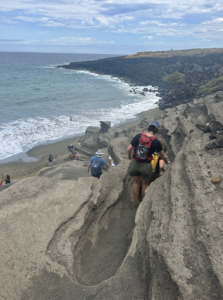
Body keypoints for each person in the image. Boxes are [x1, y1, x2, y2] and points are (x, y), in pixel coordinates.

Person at [127, 121, 170, 209]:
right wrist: (166, 161)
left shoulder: (139, 136)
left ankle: (135, 203)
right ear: (157, 130)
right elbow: (163, 155)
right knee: (144, 185)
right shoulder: (156, 141)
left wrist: (130, 158)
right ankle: (142, 205)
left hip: (135, 162)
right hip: (146, 165)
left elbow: (129, 149)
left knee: (136, 183)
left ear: (148, 127)